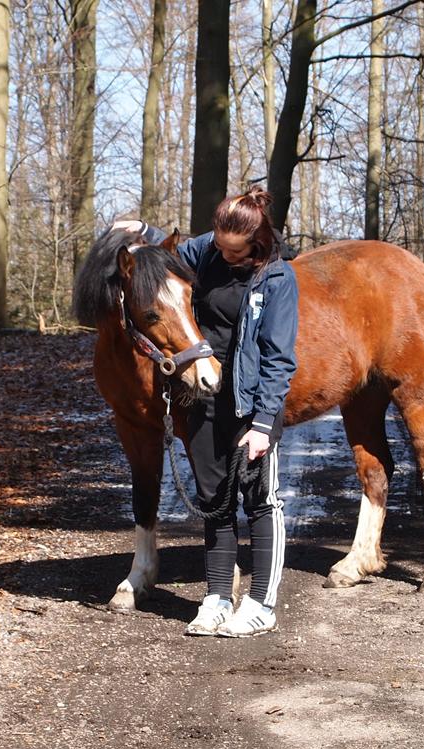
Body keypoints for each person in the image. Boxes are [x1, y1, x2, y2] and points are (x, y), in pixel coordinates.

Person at [119, 187, 299, 637]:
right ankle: (218, 597)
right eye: (215, 243)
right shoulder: (207, 249)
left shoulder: (276, 279)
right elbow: (170, 251)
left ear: (254, 245)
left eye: (229, 248)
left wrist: (262, 424)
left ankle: (261, 603)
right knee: (214, 500)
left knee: (260, 501)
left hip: (251, 402)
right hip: (202, 394)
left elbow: (280, 359)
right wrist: (144, 230)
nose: (217, 252)